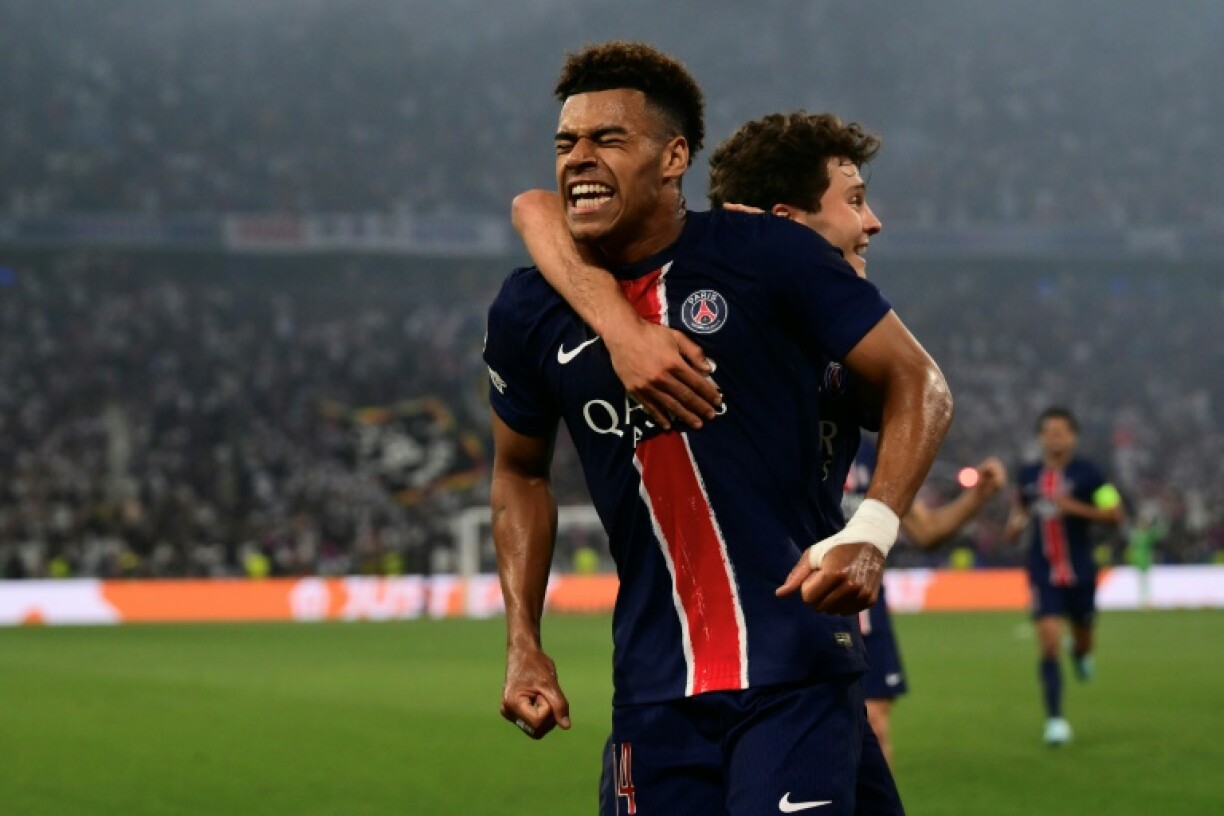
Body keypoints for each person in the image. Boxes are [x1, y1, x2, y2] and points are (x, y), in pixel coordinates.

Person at [485, 42, 952, 815]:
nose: (579, 158)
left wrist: (871, 529)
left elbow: (918, 382)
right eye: (566, 142)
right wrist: (523, 643)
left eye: (609, 139)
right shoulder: (529, 310)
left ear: (674, 157)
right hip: (651, 689)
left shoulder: (765, 258)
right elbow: (518, 471)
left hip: (791, 670)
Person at [1005, 406, 1124, 746]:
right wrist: (1014, 527)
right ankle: (1055, 720)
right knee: (1049, 639)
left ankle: (1082, 652)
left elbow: (1115, 514)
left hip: (1081, 571)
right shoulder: (1028, 475)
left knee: (1084, 639)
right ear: (1040, 437)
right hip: (1042, 571)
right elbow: (1019, 513)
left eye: (1062, 430)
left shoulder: (1090, 474)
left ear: (1073, 436)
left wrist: (1075, 508)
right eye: (1049, 431)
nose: (1055, 436)